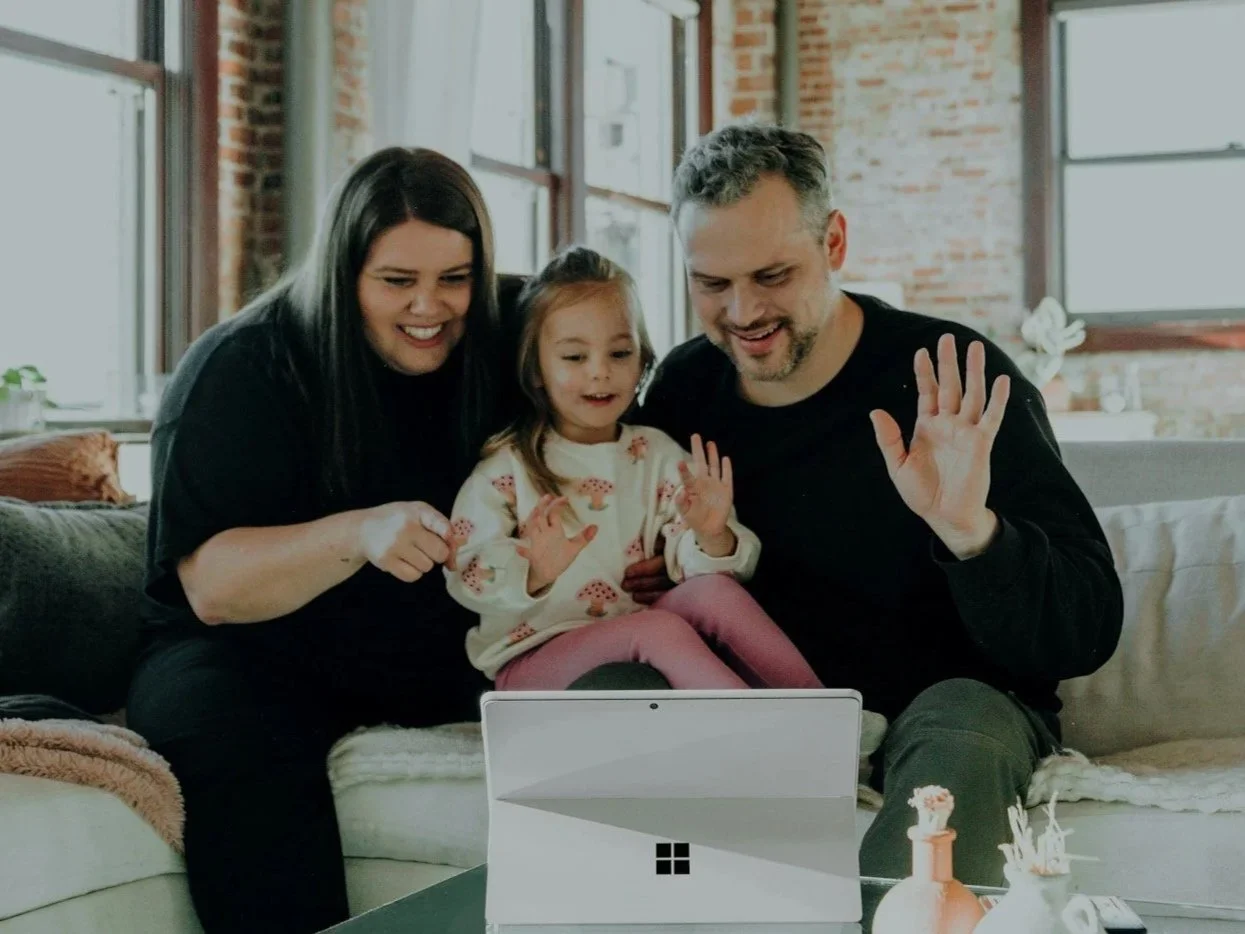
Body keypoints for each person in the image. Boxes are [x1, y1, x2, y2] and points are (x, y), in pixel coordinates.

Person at [123, 148, 646, 934]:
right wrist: (358, 533)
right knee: (232, 741)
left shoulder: (511, 331)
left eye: (455, 279)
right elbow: (212, 587)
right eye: (396, 282)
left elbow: (617, 376)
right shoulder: (245, 365)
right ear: (343, 273)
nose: (429, 308)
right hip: (256, 655)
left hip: (449, 643)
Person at [619, 122, 1125, 886]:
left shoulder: (953, 376)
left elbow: (1083, 629)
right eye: (711, 284)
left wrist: (971, 532)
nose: (742, 312)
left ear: (834, 243)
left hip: (948, 705)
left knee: (960, 727)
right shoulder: (685, 390)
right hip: (756, 707)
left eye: (771, 275)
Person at [443, 245, 824, 692]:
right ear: (536, 370)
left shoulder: (656, 454)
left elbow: (700, 569)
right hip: (532, 661)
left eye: (620, 353)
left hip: (634, 638)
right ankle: (770, 735)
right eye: (574, 357)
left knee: (714, 594)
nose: (600, 372)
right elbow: (465, 572)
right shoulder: (506, 469)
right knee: (657, 631)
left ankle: (831, 718)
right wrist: (533, 571)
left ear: (642, 359)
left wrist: (711, 535)